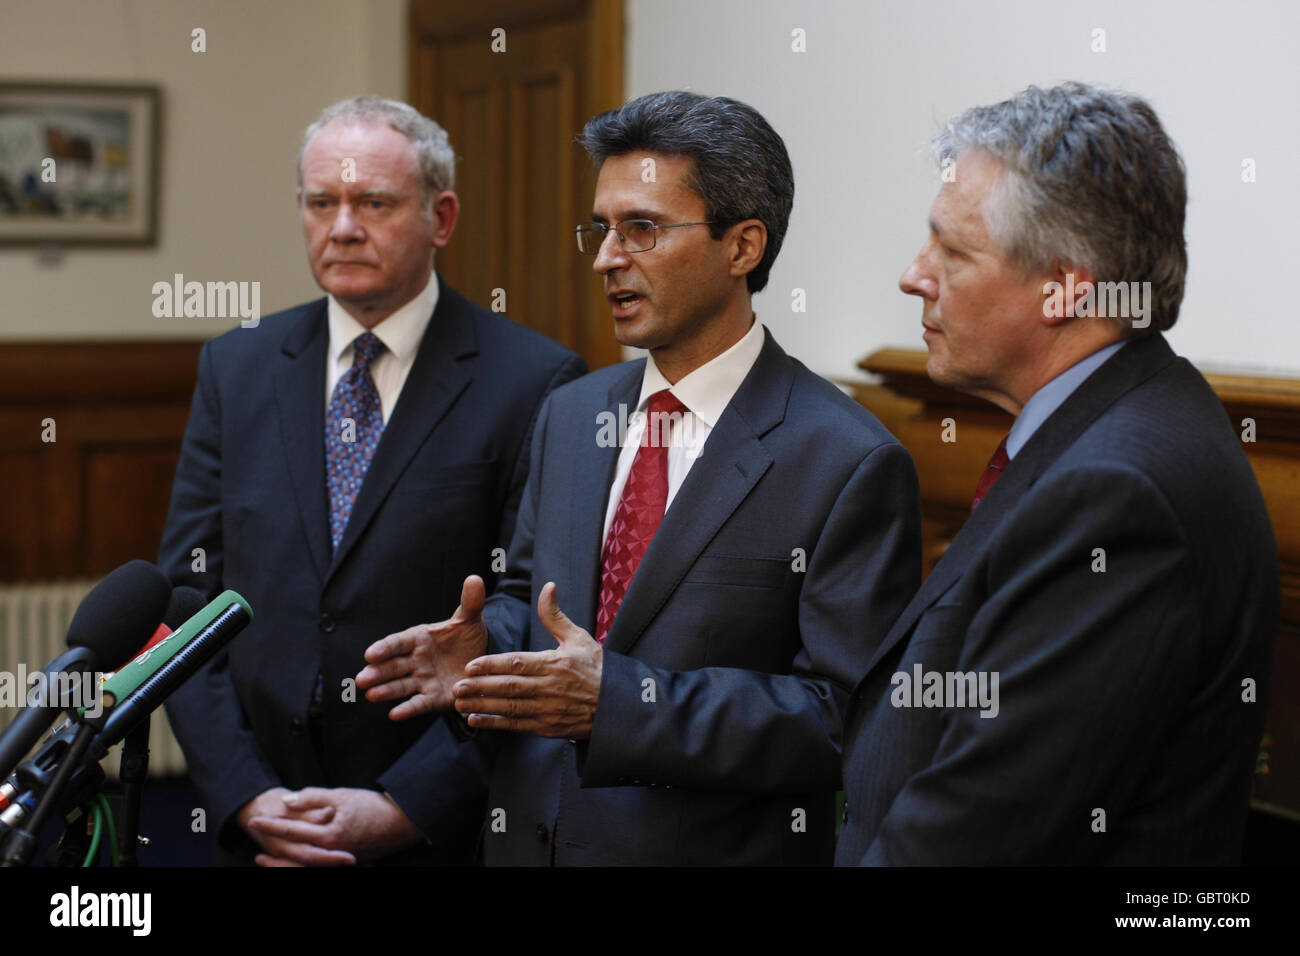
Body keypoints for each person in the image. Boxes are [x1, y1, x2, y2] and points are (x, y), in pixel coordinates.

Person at [353, 90, 922, 866]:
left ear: (742, 247)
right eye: (601, 228)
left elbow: (837, 723)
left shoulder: (846, 458)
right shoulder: (570, 413)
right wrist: (488, 649)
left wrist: (618, 704)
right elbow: (540, 607)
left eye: (642, 229)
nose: (605, 258)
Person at [836, 82, 1278, 865]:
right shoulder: (1121, 418)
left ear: (1067, 288)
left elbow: (977, 837)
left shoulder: (1120, 494)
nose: (914, 275)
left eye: (953, 251)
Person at [157, 96, 585, 866]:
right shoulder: (237, 366)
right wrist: (245, 793)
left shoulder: (536, 380)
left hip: (439, 822)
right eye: (322, 202)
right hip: (264, 814)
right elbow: (186, 600)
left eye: (374, 203)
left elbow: (530, 617)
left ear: (441, 217)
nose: (343, 226)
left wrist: (406, 806)